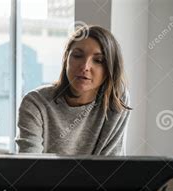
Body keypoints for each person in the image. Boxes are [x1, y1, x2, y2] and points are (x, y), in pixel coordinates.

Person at [16, 25, 131, 155]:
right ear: (66, 59)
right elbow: (30, 165)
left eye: (98, 60)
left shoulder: (117, 98)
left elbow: (110, 166)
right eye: (77, 55)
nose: (85, 67)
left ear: (110, 68)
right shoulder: (35, 103)